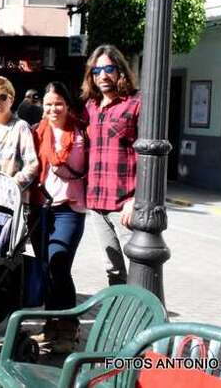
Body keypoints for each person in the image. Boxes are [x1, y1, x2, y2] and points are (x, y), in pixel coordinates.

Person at [31, 81, 88, 353]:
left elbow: (88, 166)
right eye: (49, 104)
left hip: (68, 207)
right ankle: (51, 324)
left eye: (58, 104)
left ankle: (69, 326)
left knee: (59, 264)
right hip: (40, 208)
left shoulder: (80, 132)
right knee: (46, 268)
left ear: (67, 105)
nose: (53, 109)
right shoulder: (36, 132)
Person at [82, 44, 140, 286]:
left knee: (140, 267)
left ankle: (146, 310)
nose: (103, 76)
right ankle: (121, 310)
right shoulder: (90, 107)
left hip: (124, 204)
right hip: (96, 203)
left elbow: (149, 156)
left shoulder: (135, 103)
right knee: (113, 270)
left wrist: (136, 199)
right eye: (97, 71)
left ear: (120, 70)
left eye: (108, 69)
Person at [0, 76, 39, 201]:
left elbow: (32, 165)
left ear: (11, 100)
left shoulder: (20, 127)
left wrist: (11, 186)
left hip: (9, 201)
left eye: (3, 97)